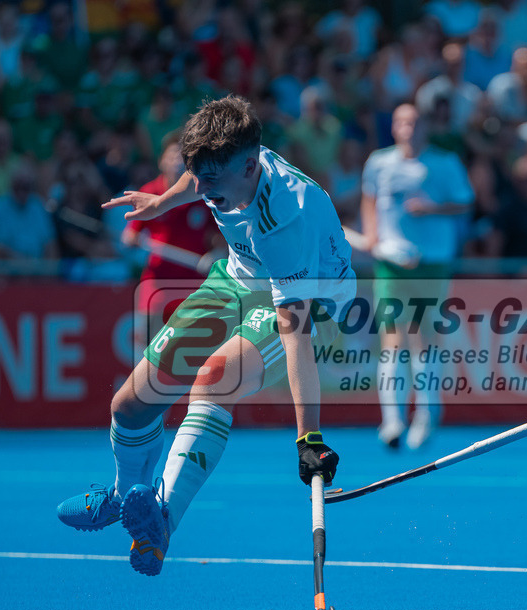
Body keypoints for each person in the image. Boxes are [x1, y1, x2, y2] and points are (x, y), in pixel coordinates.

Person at [55, 96, 356, 577]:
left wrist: (309, 437)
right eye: (200, 177)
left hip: (307, 300)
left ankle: (162, 523)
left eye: (213, 181)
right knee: (129, 405)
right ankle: (121, 497)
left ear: (250, 167)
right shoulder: (223, 167)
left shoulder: (283, 220)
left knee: (214, 379)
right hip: (235, 279)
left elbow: (295, 331)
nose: (204, 189)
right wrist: (162, 201)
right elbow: (196, 178)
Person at [359, 103, 473, 450]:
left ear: (425, 127)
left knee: (424, 341)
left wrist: (432, 208)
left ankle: (426, 414)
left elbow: (464, 202)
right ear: (394, 128)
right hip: (391, 263)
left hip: (432, 262)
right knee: (392, 339)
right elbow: (369, 200)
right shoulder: (378, 162)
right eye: (402, 122)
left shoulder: (445, 162)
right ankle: (392, 419)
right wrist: (373, 236)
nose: (409, 128)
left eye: (415, 122)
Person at [120, 134, 224, 347]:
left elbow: (219, 239)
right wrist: (133, 240)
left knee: (192, 352)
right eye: (172, 155)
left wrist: (215, 255)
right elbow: (129, 236)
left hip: (194, 285)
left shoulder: (204, 194)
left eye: (182, 155)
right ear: (161, 161)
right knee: (148, 350)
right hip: (157, 285)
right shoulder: (150, 192)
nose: (177, 159)